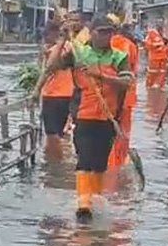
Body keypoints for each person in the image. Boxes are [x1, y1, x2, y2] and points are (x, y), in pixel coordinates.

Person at [47, 16, 134, 222]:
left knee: (100, 164)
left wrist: (102, 77)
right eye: (101, 32)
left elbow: (127, 82)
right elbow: (52, 66)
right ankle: (83, 204)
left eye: (109, 32)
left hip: (108, 117)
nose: (105, 36)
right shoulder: (79, 54)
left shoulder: (119, 56)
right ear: (91, 33)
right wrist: (61, 41)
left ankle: (94, 200)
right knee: (84, 159)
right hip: (84, 115)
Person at [34, 21, 74, 155]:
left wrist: (36, 91)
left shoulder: (59, 49)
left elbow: (48, 69)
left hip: (53, 96)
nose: (45, 38)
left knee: (52, 135)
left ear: (54, 34)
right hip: (67, 95)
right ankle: (56, 163)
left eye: (46, 35)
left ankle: (53, 167)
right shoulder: (69, 47)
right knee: (59, 134)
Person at [108, 15, 140, 167]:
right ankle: (118, 164)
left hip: (107, 97)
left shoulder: (97, 45)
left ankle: (111, 164)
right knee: (122, 132)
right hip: (125, 97)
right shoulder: (130, 46)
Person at [144, 24, 168, 88]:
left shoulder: (163, 35)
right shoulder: (151, 34)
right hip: (154, 57)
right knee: (152, 72)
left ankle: (160, 85)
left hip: (163, 57)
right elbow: (147, 44)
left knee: (163, 72)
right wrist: (156, 45)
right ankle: (150, 85)